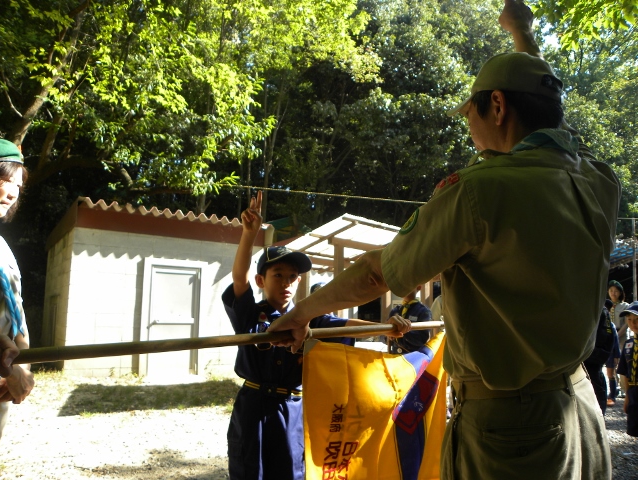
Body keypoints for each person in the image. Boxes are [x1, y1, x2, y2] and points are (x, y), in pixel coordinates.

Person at [269, 1, 620, 478]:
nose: (469, 126)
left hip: (511, 428)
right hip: (578, 405)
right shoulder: (597, 180)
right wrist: (523, 33)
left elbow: (375, 273)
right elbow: (550, 124)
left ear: (498, 106)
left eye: (471, 112)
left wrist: (300, 314)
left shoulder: (480, 191)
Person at [222, 191, 409, 480]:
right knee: (250, 471)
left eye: (292, 277)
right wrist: (249, 234)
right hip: (253, 407)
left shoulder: (309, 318)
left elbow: (348, 326)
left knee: (290, 470)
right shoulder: (249, 314)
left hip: (293, 408)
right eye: (278, 275)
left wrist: (387, 328)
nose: (286, 283)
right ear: (261, 280)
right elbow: (239, 278)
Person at [0, 139, 35, 444]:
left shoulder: (3, 248)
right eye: (8, 180)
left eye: (19, 186)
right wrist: (9, 368)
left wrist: (23, 367)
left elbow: (17, 314)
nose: (13, 193)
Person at [584, 301, 618, 414]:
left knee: (596, 408)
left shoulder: (600, 310)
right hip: (574, 366)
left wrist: (585, 355)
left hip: (591, 366)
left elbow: (606, 345)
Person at [384, 286, 432, 354]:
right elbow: (386, 337)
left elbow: (422, 339)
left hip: (413, 356)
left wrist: (403, 330)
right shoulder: (395, 311)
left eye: (408, 284)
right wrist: (388, 335)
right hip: (395, 355)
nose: (404, 288)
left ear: (418, 287)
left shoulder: (423, 311)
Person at [606, 279, 631, 406]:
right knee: (610, 363)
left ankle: (624, 389)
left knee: (622, 362)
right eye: (611, 290)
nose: (613, 293)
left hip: (621, 336)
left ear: (620, 293)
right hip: (609, 336)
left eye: (616, 291)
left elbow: (627, 323)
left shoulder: (625, 306)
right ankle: (613, 390)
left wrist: (618, 334)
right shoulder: (605, 305)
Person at [617, 301, 638, 437]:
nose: (633, 323)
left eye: (636, 320)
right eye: (629, 320)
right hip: (634, 392)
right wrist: (627, 398)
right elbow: (625, 372)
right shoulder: (629, 345)